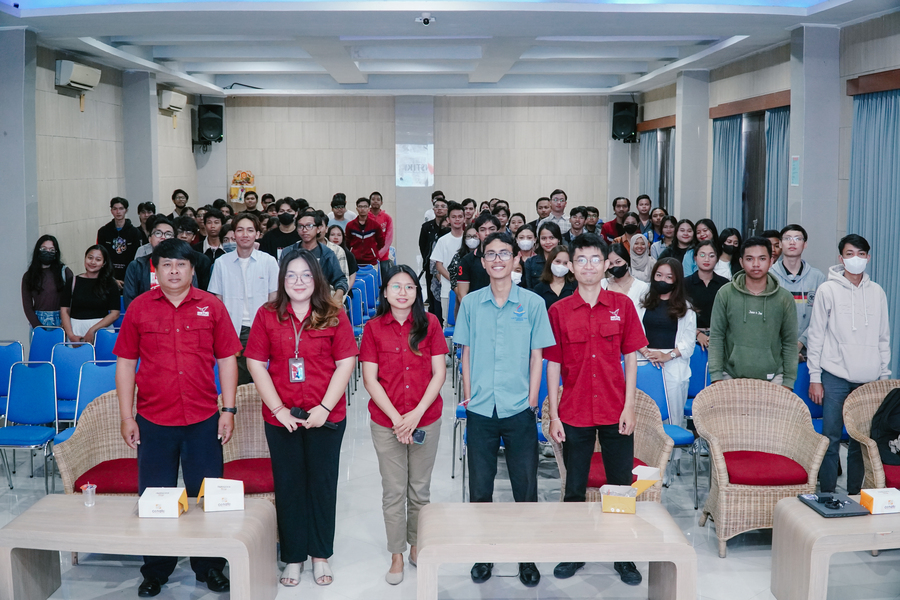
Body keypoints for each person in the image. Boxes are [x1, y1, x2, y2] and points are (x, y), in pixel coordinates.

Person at [115, 238, 241, 598]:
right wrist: (128, 416)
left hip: (203, 417)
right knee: (155, 497)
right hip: (154, 420)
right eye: (166, 264)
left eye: (181, 265)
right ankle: (156, 570)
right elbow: (125, 364)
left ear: (192, 269)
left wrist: (228, 409)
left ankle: (210, 567)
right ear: (155, 269)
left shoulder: (212, 306)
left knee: (207, 496)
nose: (174, 271)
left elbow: (227, 359)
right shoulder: (139, 308)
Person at [245, 247, 357, 588]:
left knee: (322, 486)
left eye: (306, 275)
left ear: (317, 279)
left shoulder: (334, 314)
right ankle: (293, 557)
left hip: (327, 415)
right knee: (290, 486)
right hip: (283, 418)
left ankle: (320, 555)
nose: (298, 281)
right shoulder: (267, 315)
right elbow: (255, 363)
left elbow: (346, 362)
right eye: (291, 275)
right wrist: (278, 409)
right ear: (282, 280)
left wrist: (323, 407)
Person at [545, 232, 647, 586]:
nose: (588, 266)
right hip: (574, 412)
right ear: (570, 267)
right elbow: (553, 366)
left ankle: (623, 555)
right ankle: (574, 551)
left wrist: (630, 406)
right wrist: (555, 415)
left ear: (607, 264)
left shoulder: (623, 306)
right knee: (574, 487)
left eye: (595, 260)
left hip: (615, 408)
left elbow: (631, 360)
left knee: (620, 485)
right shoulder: (558, 311)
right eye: (581, 260)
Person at [454, 231, 555, 589]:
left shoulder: (531, 304)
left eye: (504, 254)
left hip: (518, 408)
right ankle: (484, 553)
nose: (498, 260)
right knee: (480, 488)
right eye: (491, 254)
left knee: (524, 487)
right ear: (482, 262)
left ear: (516, 260)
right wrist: (468, 395)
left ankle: (526, 556)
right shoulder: (470, 303)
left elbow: (538, 354)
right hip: (481, 408)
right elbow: (464, 352)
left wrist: (531, 399)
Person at [359, 265, 448, 585]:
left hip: (426, 418)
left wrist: (415, 415)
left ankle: (416, 546)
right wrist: (398, 419)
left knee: (419, 490)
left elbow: (439, 373)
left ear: (417, 293)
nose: (402, 292)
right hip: (387, 423)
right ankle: (396, 554)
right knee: (394, 490)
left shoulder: (431, 324)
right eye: (396, 286)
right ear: (384, 292)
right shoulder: (372, 328)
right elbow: (370, 379)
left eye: (409, 287)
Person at [807, 234, 891, 495]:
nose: (856, 259)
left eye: (861, 254)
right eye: (850, 253)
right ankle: (828, 494)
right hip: (834, 376)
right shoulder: (827, 290)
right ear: (841, 258)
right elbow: (816, 334)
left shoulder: (877, 292)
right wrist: (814, 377)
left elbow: (883, 337)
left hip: (868, 378)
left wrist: (884, 377)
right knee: (830, 438)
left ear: (868, 257)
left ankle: (856, 493)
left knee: (860, 441)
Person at [708, 237, 798, 387]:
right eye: (750, 259)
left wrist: (788, 382)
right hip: (730, 377)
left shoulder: (784, 298)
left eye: (762, 258)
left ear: (771, 261)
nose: (756, 264)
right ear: (742, 262)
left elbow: (789, 343)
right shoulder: (725, 294)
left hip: (774, 379)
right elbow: (717, 337)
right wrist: (717, 377)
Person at [637, 257, 696, 479]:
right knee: (645, 417)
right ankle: (645, 462)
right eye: (659, 275)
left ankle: (670, 466)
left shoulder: (686, 308)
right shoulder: (643, 301)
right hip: (644, 364)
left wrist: (667, 355)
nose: (663, 280)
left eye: (669, 277)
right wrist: (646, 352)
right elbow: (634, 331)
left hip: (672, 366)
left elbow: (688, 344)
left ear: (677, 280)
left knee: (672, 418)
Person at [208, 212, 279, 385]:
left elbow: (275, 297)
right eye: (240, 230)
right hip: (232, 330)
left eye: (250, 230)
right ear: (233, 234)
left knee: (261, 380)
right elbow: (217, 300)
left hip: (262, 328)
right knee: (236, 381)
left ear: (257, 234)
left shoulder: (268, 261)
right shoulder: (221, 263)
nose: (245, 235)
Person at [770, 224, 826, 361]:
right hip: (774, 352)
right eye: (787, 238)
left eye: (797, 238)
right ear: (780, 244)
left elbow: (821, 317)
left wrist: (800, 343)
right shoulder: (769, 276)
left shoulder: (817, 277)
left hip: (809, 352)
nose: (792, 242)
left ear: (805, 244)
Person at [123, 217, 199, 309]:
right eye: (158, 233)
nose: (163, 237)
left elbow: (193, 295)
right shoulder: (136, 266)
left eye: (168, 234)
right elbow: (130, 301)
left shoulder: (185, 265)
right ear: (150, 238)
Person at [282, 212, 349, 303]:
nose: (304, 230)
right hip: (292, 301)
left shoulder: (327, 254)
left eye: (309, 226)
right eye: (300, 226)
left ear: (318, 229)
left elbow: (340, 280)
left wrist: (337, 296)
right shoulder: (288, 252)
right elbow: (280, 279)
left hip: (320, 302)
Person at [60, 245, 120, 344]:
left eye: (98, 259)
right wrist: (71, 335)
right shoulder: (73, 281)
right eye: (90, 258)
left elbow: (115, 313)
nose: (93, 262)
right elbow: (64, 310)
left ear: (104, 263)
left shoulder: (110, 284)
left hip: (101, 331)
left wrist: (93, 330)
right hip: (76, 330)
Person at [684, 239, 729, 349]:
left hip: (719, 337)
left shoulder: (725, 284)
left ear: (717, 259)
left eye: (711, 256)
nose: (707, 259)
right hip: (691, 336)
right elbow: (678, 314)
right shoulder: (684, 283)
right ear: (695, 258)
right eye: (702, 255)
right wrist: (697, 334)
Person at [22, 235, 73, 328]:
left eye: (52, 250)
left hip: (61, 320)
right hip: (38, 320)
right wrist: (38, 326)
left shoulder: (65, 272)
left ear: (56, 253)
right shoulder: (29, 276)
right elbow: (27, 306)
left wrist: (65, 323)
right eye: (44, 249)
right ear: (38, 250)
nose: (48, 252)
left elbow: (73, 299)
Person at [430, 201, 465, 324]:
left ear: (464, 218)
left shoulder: (469, 239)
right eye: (454, 217)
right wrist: (453, 279)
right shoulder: (442, 241)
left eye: (460, 217)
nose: (457, 220)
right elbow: (438, 265)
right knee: (448, 322)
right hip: (447, 288)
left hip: (467, 287)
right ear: (448, 219)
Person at [97, 197, 142, 289]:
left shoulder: (135, 232)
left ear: (126, 210)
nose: (118, 212)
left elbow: (137, 256)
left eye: (121, 208)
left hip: (129, 276)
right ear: (111, 211)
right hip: (109, 276)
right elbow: (101, 255)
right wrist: (110, 277)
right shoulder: (103, 231)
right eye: (115, 209)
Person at [602, 243, 650, 323]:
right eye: (611, 264)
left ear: (627, 261)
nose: (615, 266)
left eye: (618, 262)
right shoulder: (602, 284)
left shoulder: (642, 287)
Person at [456, 213, 499, 300]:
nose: (487, 233)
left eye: (492, 229)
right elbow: (462, 294)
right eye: (482, 230)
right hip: (476, 307)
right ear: (477, 234)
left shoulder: (507, 257)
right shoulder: (467, 260)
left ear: (498, 231)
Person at [173, 216, 214, 291]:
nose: (184, 236)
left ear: (193, 237)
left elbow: (205, 289)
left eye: (188, 233)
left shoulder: (202, 260)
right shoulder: (166, 258)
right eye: (180, 232)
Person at [347, 196, 386, 268]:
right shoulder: (350, 225)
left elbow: (381, 242)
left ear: (368, 208)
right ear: (356, 208)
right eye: (360, 206)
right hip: (354, 261)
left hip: (371, 261)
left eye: (365, 206)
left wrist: (373, 251)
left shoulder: (375, 225)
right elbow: (347, 243)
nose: (362, 209)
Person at [523, 221, 562, 289]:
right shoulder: (530, 262)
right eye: (543, 238)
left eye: (551, 238)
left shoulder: (567, 261)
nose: (547, 242)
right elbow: (528, 288)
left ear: (558, 239)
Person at [449, 225, 479, 314]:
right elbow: (453, 278)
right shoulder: (459, 257)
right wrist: (461, 297)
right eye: (469, 236)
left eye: (475, 236)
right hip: (462, 298)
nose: (472, 239)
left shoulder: (485, 256)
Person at [368, 191, 394, 280]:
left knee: (385, 281)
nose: (375, 201)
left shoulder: (387, 218)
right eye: (373, 199)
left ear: (381, 203)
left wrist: (379, 255)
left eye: (378, 199)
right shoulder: (364, 217)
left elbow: (388, 239)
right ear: (369, 202)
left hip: (383, 257)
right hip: (368, 256)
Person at [327, 225, 358, 290]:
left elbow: (352, 277)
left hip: (344, 289)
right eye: (332, 235)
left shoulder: (349, 255)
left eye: (339, 235)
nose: (336, 237)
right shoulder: (324, 252)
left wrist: (344, 291)